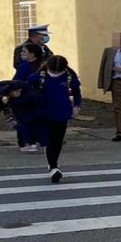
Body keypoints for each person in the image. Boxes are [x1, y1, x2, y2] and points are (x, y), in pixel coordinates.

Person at [28, 55, 82, 183]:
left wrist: (77, 106)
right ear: (47, 67)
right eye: (53, 72)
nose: (55, 74)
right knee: (50, 140)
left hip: (62, 112)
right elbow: (27, 91)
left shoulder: (69, 76)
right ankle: (53, 166)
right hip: (43, 112)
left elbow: (76, 93)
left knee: (58, 140)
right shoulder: (37, 77)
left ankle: (53, 165)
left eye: (59, 72)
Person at [13, 42, 46, 152]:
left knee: (24, 120)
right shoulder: (44, 66)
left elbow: (16, 82)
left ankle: (28, 143)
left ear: (32, 54)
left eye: (24, 52)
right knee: (38, 120)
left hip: (25, 97)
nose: (21, 54)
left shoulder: (24, 67)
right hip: (41, 98)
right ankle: (40, 141)